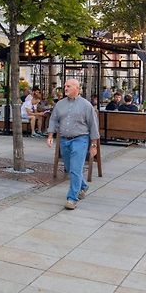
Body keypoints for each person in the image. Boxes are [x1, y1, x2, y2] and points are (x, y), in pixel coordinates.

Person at [47, 79, 99, 210]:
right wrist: (50, 135)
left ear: (77, 88)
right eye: (65, 86)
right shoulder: (60, 104)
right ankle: (83, 186)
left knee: (76, 169)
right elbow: (53, 119)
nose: (65, 88)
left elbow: (93, 126)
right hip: (64, 140)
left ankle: (72, 198)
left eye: (68, 86)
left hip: (80, 139)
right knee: (70, 168)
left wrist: (93, 145)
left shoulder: (86, 106)